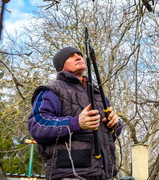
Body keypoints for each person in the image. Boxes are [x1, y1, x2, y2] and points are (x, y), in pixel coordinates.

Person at [28, 47, 122, 180]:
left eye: (79, 54)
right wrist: (75, 123)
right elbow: (37, 126)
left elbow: (112, 132)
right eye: (71, 56)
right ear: (61, 65)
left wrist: (116, 123)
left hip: (104, 174)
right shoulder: (52, 90)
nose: (78, 57)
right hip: (68, 174)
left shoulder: (98, 93)